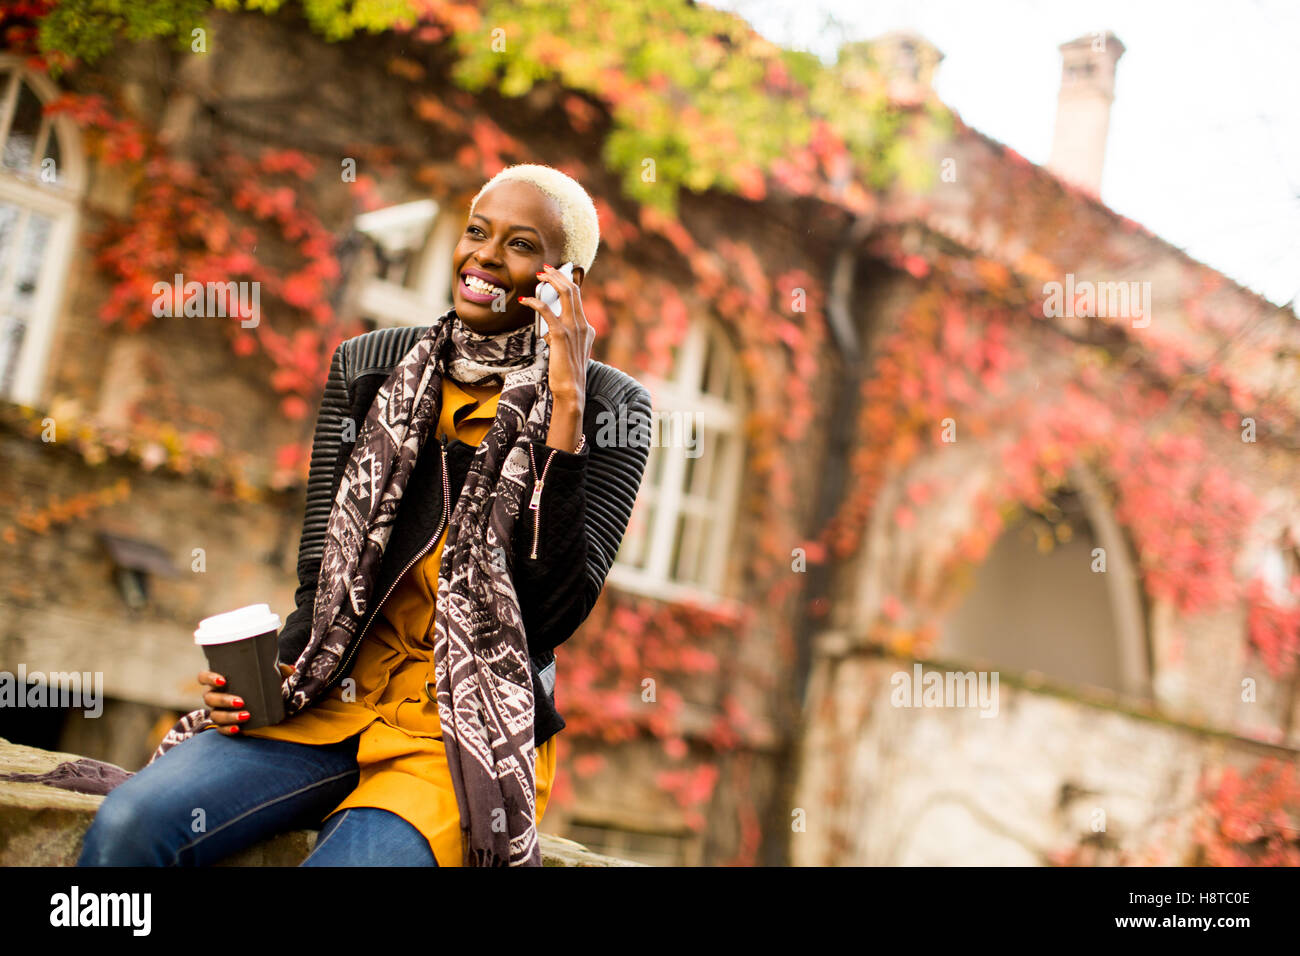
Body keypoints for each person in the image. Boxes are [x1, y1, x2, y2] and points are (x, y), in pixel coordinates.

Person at [77, 164, 652, 867]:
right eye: (477, 232)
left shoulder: (610, 406)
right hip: (324, 698)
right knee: (130, 823)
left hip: (456, 736)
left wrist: (564, 410)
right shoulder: (371, 365)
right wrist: (263, 680)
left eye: (521, 245)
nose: (485, 257)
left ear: (567, 279)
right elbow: (323, 569)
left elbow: (554, 611)